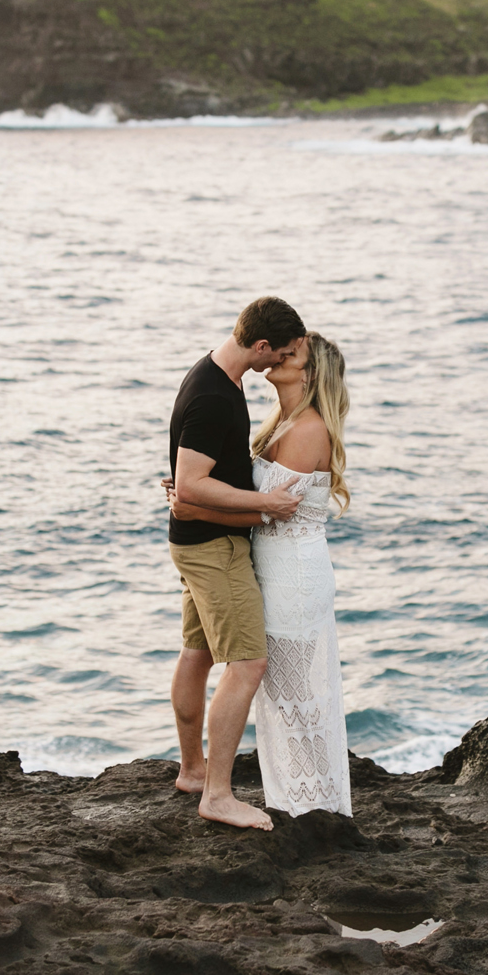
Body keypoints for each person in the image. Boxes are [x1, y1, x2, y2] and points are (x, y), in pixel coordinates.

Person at [174, 331, 353, 817]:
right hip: (271, 566)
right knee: (279, 690)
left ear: (310, 373)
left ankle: (313, 805)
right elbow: (248, 495)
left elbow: (272, 514)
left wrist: (194, 510)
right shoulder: (283, 422)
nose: (277, 357)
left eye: (291, 355)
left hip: (294, 574)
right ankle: (293, 796)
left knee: (296, 690)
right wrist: (197, 493)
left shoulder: (309, 429)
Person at [167, 297, 307, 830]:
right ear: (262, 345)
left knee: (197, 653)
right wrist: (265, 504)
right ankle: (218, 796)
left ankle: (194, 772)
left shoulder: (210, 376)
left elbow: (192, 478)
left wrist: (188, 493)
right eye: (283, 354)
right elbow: (193, 483)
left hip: (194, 540)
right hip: (216, 549)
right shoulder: (214, 396)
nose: (281, 363)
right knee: (247, 664)